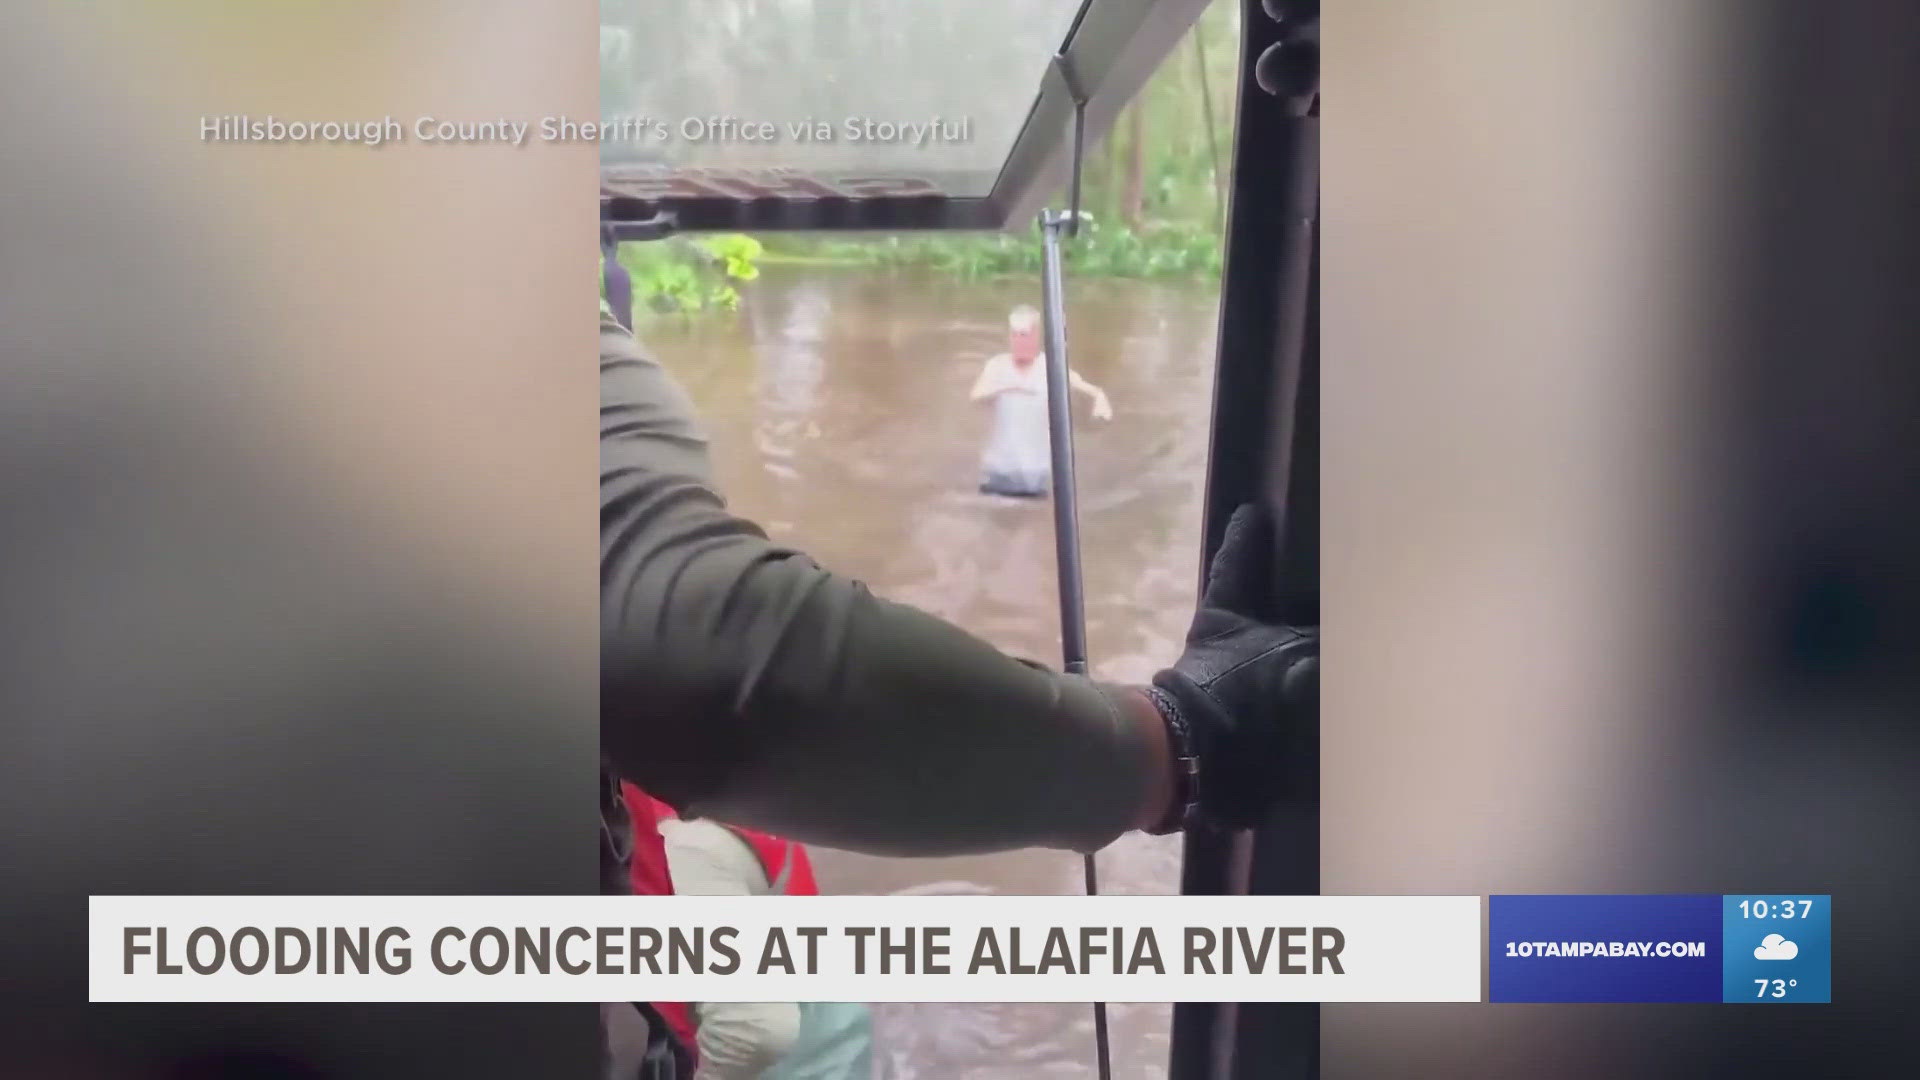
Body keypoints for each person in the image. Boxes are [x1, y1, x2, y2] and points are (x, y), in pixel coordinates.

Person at [621, 783, 873, 1080]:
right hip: (832, 1037)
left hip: (780, 1063)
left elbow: (751, 1028)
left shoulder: (684, 845)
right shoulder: (734, 799)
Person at [970, 304, 1113, 497]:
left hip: (1036, 469)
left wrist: (1100, 399)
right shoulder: (997, 366)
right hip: (999, 465)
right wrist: (1009, 387)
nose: (1019, 341)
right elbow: (976, 396)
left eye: (1025, 335)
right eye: (1015, 334)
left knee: (1034, 521)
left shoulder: (1050, 366)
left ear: (1037, 336)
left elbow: (1089, 389)